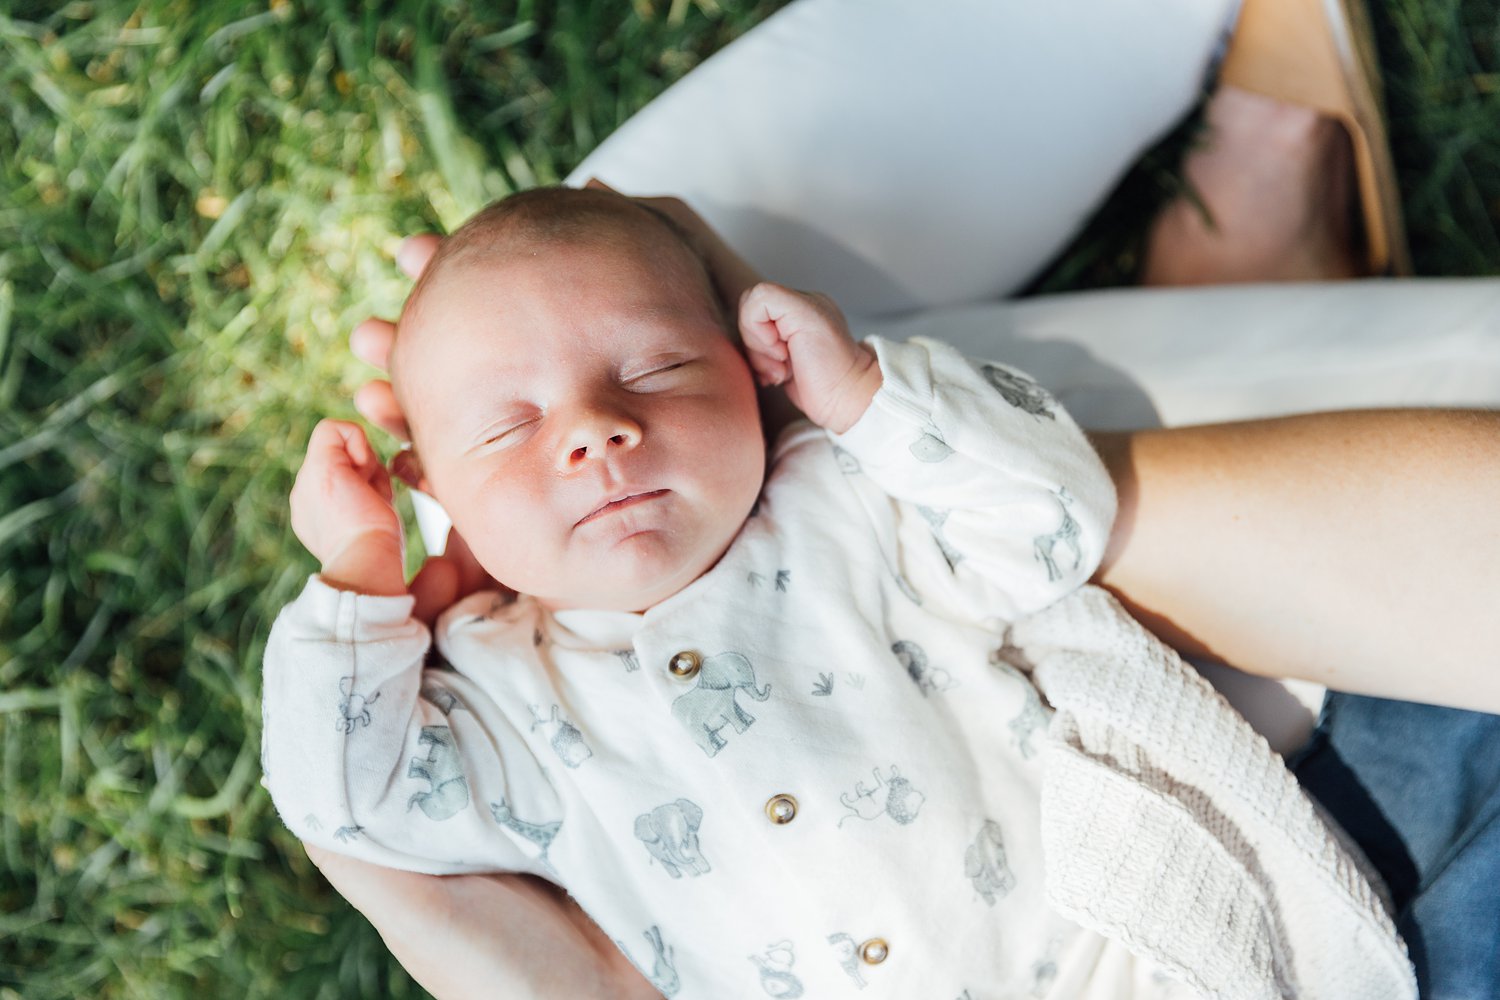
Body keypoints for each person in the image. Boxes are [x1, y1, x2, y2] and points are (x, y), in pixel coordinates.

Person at [285, 0, 1500, 996]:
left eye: (659, 369)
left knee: (593, 237)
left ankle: (1232, 229)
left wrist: (865, 397)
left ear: (756, 368)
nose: (599, 430)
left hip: (1122, 950)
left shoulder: (849, 496)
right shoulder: (498, 696)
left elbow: (1044, 516)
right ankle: (1252, 261)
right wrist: (357, 591)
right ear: (429, 489)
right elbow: (351, 802)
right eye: (506, 429)